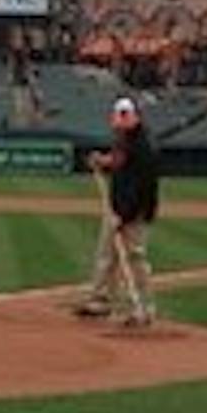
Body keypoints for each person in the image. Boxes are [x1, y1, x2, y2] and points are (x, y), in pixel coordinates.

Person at [76, 97, 160, 328]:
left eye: (125, 115)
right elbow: (119, 162)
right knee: (107, 256)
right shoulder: (124, 140)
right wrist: (103, 162)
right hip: (117, 207)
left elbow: (141, 187)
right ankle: (100, 300)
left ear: (134, 116)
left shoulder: (143, 146)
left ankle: (143, 307)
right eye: (118, 116)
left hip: (135, 211)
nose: (120, 121)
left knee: (134, 258)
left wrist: (123, 216)